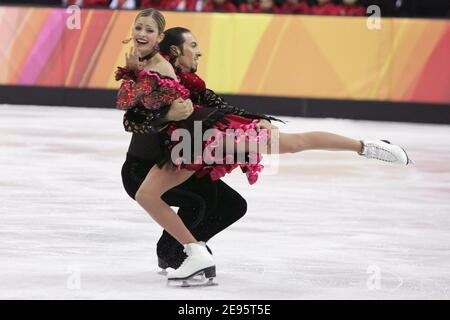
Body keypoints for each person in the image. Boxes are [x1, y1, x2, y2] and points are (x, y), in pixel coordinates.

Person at [116, 8, 412, 284]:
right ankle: (366, 146)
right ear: (173, 50)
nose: (200, 51)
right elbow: (136, 115)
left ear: (159, 39)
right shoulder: (163, 70)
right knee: (294, 143)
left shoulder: (173, 74)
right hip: (191, 142)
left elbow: (199, 105)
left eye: (149, 30)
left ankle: (194, 252)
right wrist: (162, 106)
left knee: (290, 144)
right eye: (193, 46)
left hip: (197, 141)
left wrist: (255, 120)